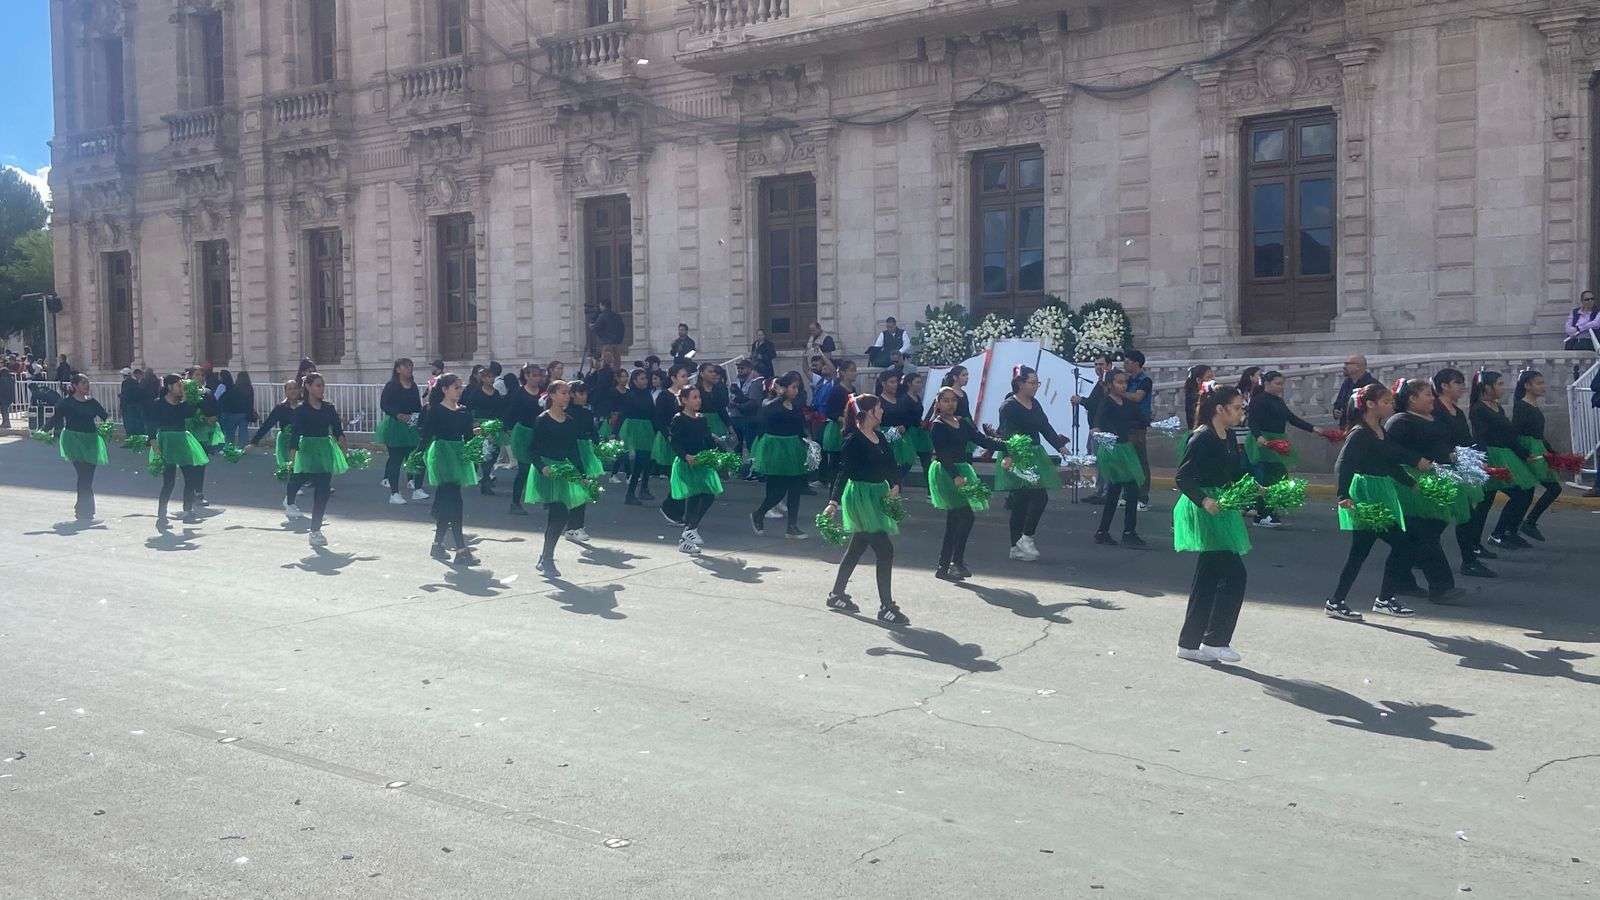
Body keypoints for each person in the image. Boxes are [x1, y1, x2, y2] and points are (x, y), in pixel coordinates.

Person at [1325, 384, 1425, 621]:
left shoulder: (1379, 430)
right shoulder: (1360, 433)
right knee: (1402, 544)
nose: (1391, 405)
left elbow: (1389, 462)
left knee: (1361, 551)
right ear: (1370, 404)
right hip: (1367, 495)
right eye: (1386, 402)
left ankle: (1338, 601)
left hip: (1380, 491)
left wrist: (1410, 482)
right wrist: (1343, 495)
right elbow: (1344, 464)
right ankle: (1382, 600)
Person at [1173, 384, 1251, 663]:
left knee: (1208, 577)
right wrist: (1204, 500)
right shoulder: (1202, 437)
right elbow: (1183, 477)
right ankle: (1215, 641)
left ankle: (1189, 644)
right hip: (1206, 510)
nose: (1241, 412)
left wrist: (1254, 488)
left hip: (1222, 506)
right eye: (1237, 408)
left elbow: (1233, 472)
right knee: (1235, 575)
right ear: (1220, 409)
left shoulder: (1228, 435)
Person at [823, 394, 910, 626]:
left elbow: (891, 465)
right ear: (869, 412)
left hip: (878, 495)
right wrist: (833, 502)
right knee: (885, 550)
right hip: (861, 498)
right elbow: (843, 473)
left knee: (857, 547)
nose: (882, 411)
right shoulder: (853, 440)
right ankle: (886, 607)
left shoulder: (879, 437)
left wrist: (896, 484)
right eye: (879, 408)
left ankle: (836, 594)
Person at [1382, 379, 1467, 605]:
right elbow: (1388, 449)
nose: (1432, 398)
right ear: (1412, 398)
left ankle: (1401, 580)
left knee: (1420, 535)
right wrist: (1414, 459)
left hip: (1436, 480)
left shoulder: (1434, 418)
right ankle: (1441, 587)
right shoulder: (1399, 421)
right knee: (1424, 535)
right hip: (1412, 485)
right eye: (1427, 394)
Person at [928, 386, 1009, 581]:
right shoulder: (938, 425)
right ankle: (955, 562)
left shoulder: (962, 422)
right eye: (946, 400)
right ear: (938, 404)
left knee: (955, 519)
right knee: (965, 516)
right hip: (947, 473)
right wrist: (955, 475)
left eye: (953, 400)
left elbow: (982, 440)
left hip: (962, 471)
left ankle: (945, 565)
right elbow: (943, 454)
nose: (950, 404)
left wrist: (1007, 446)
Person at [994, 366, 1069, 561]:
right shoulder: (1008, 406)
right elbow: (1006, 433)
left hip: (1035, 455)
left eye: (1037, 383)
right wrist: (1008, 455)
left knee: (1025, 500)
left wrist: (1060, 446)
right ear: (1020, 384)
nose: (1036, 386)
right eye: (1032, 382)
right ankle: (1024, 539)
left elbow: (1045, 427)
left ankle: (1017, 545)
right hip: (1018, 456)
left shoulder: (1035, 403)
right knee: (1034, 497)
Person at [1245, 371, 1336, 527]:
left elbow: (1291, 418)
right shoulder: (1258, 400)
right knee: (1267, 478)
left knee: (1279, 477)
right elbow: (1252, 421)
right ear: (1267, 383)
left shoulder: (1278, 401)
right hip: (1264, 442)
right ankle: (1263, 514)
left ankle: (1268, 511)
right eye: (1278, 383)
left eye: (1282, 384)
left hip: (1278, 440)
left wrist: (1313, 428)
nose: (1281, 387)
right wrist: (1258, 436)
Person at [1430, 368, 1496, 577]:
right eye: (1457, 383)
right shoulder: (1434, 410)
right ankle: (1422, 553)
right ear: (1444, 386)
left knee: (1463, 515)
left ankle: (1468, 560)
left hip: (1459, 467)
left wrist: (1476, 460)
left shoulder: (1457, 412)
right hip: (1442, 467)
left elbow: (1466, 439)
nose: (1462, 387)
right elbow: (1433, 439)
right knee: (1441, 519)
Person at [524, 380, 592, 579]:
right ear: (552, 395)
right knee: (559, 513)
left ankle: (545, 556)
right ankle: (547, 559)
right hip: (547, 470)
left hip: (564, 470)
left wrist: (582, 476)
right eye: (563, 392)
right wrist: (542, 467)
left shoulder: (570, 421)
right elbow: (532, 450)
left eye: (568, 393)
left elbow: (573, 451)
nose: (567, 396)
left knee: (558, 515)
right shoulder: (542, 419)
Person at [1469, 370, 1538, 550]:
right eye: (1499, 384)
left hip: (1505, 455)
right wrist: (1483, 462)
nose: (1503, 387)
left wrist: (1523, 453)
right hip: (1492, 457)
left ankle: (1501, 534)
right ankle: (1485, 539)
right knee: (1494, 500)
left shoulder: (1497, 407)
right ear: (1486, 387)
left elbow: (1508, 435)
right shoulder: (1478, 409)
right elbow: (1479, 437)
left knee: (1521, 493)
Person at [419, 374, 480, 566]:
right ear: (444, 389)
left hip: (459, 456)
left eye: (461, 387)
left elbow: (468, 437)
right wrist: (417, 458)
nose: (460, 390)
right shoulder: (435, 410)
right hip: (442, 457)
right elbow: (426, 435)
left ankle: (437, 544)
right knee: (455, 502)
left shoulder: (464, 411)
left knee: (448, 503)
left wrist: (478, 436)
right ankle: (461, 549)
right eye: (456, 387)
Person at [286, 373, 349, 548]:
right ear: (308, 387)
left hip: (325, 451)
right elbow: (295, 436)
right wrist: (291, 460)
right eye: (318, 385)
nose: (321, 389)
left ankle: (315, 530)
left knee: (323, 490)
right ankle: (289, 500)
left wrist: (346, 450)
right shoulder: (301, 410)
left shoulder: (329, 408)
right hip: (307, 451)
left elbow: (337, 431)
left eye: (322, 386)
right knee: (298, 479)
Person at [750, 372, 812, 539]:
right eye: (793, 387)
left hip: (793, 449)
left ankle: (792, 526)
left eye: (797, 388)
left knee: (795, 489)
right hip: (778, 451)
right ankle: (759, 513)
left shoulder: (796, 406)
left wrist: (807, 441)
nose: (796, 391)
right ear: (783, 388)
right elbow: (762, 429)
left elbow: (800, 428)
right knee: (778, 491)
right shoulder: (772, 406)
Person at [1093, 370, 1150, 547]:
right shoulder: (1106, 403)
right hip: (1113, 451)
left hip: (1125, 448)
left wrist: (1150, 421)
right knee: (1128, 489)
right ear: (1110, 385)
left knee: (1117, 491)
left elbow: (1141, 419)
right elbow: (1097, 425)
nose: (1123, 386)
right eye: (1119, 382)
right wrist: (1099, 436)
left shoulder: (1127, 403)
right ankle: (1127, 532)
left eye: (1125, 382)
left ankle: (1105, 531)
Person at [147, 374, 210, 525]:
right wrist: (155, 447)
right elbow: (151, 426)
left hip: (182, 441)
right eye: (179, 385)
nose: (182, 388)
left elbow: (192, 412)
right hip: (166, 442)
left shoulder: (183, 404)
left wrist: (189, 396)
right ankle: (162, 515)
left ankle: (188, 511)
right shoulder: (158, 403)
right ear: (169, 386)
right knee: (169, 482)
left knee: (190, 478)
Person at [47, 374, 111, 521]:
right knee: (83, 475)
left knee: (88, 477)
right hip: (73, 441)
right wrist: (43, 431)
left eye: (87, 382)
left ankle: (83, 508)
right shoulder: (66, 403)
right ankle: (85, 510)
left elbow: (105, 416)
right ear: (74, 386)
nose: (87, 385)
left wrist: (108, 425)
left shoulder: (92, 402)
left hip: (91, 441)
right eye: (83, 383)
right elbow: (55, 418)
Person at [669, 384, 722, 554]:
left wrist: (716, 452)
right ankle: (689, 532)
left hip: (702, 462)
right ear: (684, 400)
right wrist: (685, 456)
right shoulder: (679, 419)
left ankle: (688, 534)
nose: (698, 400)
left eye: (699, 397)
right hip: (687, 464)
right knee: (695, 497)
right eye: (694, 397)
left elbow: (707, 440)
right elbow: (674, 442)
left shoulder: (702, 419)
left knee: (706, 495)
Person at [1511, 370, 1563, 541]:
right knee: (1552, 488)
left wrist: (1551, 450)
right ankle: (1526, 524)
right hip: (1529, 453)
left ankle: (1516, 528)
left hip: (1538, 450)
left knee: (1529, 492)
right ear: (1527, 385)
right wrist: (1524, 454)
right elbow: (1516, 433)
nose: (1543, 386)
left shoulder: (1533, 405)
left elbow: (1538, 434)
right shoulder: (1521, 406)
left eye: (1542, 382)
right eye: (1538, 383)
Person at [250, 379, 308, 519]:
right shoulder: (281, 408)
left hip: (302, 441)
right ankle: (289, 502)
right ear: (285, 392)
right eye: (289, 388)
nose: (293, 391)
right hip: (286, 442)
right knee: (293, 469)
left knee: (304, 470)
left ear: (300, 390)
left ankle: (291, 498)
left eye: (295, 388)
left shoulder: (304, 406)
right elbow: (268, 424)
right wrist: (254, 442)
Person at [376, 358, 426, 504]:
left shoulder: (413, 385)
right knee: (396, 459)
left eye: (411, 366)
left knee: (416, 457)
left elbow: (417, 405)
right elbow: (384, 404)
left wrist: (419, 417)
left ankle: (417, 488)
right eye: (406, 366)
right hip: (396, 425)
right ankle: (394, 493)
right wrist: (397, 414)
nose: (409, 369)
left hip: (411, 425)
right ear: (398, 369)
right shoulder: (392, 386)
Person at [652, 363, 693, 526]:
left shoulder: (687, 394)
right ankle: (671, 508)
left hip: (684, 438)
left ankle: (676, 508)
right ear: (673, 378)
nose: (686, 379)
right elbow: (659, 419)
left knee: (683, 475)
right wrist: (668, 435)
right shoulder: (665, 396)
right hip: (669, 439)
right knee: (677, 476)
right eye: (682, 376)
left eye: (686, 376)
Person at [506, 362, 547, 517]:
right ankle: (515, 503)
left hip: (539, 433)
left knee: (543, 466)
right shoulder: (519, 393)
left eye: (539, 375)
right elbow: (511, 412)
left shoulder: (543, 392)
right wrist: (508, 429)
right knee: (524, 469)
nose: (537, 378)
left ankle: (547, 498)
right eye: (534, 375)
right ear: (527, 376)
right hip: (523, 433)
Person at [463, 364, 506, 494]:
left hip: (493, 425)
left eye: (492, 377)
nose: (491, 379)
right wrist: (474, 423)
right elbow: (469, 408)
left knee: (493, 453)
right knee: (483, 452)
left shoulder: (496, 393)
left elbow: (500, 409)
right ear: (482, 379)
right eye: (488, 377)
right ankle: (484, 480)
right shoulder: (476, 392)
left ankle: (486, 477)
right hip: (480, 425)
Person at [619, 368, 658, 504]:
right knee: (639, 462)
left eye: (646, 378)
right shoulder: (630, 395)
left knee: (647, 461)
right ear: (634, 381)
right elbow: (624, 415)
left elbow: (652, 413)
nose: (645, 381)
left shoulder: (647, 395)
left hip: (647, 430)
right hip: (634, 430)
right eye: (642, 378)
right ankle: (630, 493)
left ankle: (644, 489)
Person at [1122, 350, 1154, 507]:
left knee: (1140, 461)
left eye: (1127, 362)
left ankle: (1142, 497)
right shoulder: (1127, 380)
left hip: (1138, 424)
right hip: (1125, 423)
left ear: (1136, 363)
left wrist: (1120, 392)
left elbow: (1137, 397)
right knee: (1126, 461)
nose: (1124, 365)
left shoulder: (1145, 380)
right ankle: (1127, 495)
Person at [876, 369, 918, 484]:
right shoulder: (878, 401)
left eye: (896, 382)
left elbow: (907, 417)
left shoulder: (900, 401)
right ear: (883, 383)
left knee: (906, 462)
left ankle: (896, 485)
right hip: (886, 436)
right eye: (892, 382)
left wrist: (904, 426)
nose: (895, 385)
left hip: (902, 436)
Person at [820, 360, 858, 485]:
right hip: (837, 428)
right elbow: (829, 412)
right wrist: (843, 418)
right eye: (851, 370)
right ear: (843, 372)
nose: (855, 373)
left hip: (850, 427)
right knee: (836, 461)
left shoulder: (853, 389)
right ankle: (834, 487)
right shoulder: (836, 390)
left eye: (855, 370)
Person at [1333, 355, 1380, 427]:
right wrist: (1336, 411)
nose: (1344, 367)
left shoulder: (1373, 385)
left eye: (1347, 364)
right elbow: (1338, 403)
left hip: (1365, 429)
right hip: (1346, 428)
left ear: (1358, 366)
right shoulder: (1347, 383)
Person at [118, 367, 145, 437]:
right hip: (136, 405)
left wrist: (120, 398)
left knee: (128, 423)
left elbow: (125, 395)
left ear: (124, 375)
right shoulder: (135, 382)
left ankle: (130, 437)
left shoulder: (125, 383)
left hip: (127, 406)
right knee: (136, 422)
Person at [0, 363, 14, 430]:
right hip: (9, 397)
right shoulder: (11, 379)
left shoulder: (2, 379)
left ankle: (6, 423)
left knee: (4, 410)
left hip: (3, 397)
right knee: (5, 410)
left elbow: (2, 389)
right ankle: (6, 422)